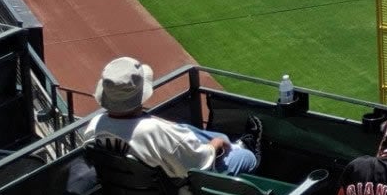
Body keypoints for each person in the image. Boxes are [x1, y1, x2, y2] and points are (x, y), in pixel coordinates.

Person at [83, 56, 262, 178]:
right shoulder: (154, 132)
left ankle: (233, 144)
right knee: (246, 157)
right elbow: (201, 163)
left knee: (187, 130)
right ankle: (243, 149)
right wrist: (216, 145)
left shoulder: (93, 127)